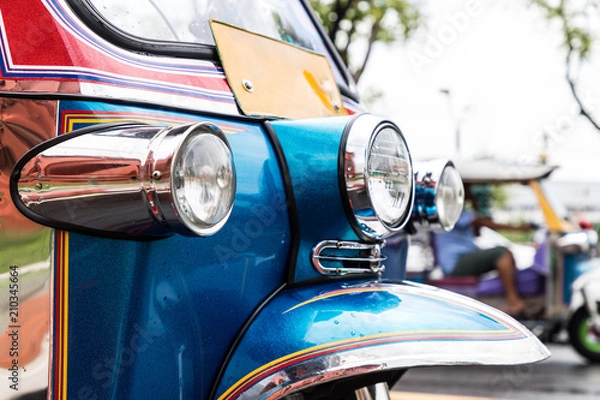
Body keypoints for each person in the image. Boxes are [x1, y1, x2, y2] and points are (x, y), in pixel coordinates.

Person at [433, 184, 534, 317]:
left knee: (506, 258)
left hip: (462, 259)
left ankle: (514, 298)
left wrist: (474, 202)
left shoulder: (459, 210)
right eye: (467, 188)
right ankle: (513, 301)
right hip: (456, 263)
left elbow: (477, 231)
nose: (470, 191)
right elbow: (481, 223)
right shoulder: (452, 209)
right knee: (502, 253)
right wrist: (518, 228)